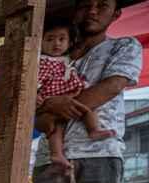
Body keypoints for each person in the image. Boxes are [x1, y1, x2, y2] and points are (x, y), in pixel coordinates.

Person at [32, 0, 142, 183]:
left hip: (100, 154)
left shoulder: (123, 46)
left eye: (102, 5)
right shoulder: (55, 53)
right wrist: (45, 111)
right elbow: (32, 112)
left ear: (116, 14)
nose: (93, 10)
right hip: (50, 157)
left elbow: (111, 86)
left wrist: (56, 108)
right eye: (87, 4)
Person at [38, 17, 115, 169]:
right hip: (52, 94)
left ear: (70, 42)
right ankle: (56, 153)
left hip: (70, 92)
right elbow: (36, 80)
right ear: (40, 42)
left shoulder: (66, 59)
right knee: (55, 126)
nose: (56, 43)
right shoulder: (42, 61)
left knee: (88, 109)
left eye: (62, 39)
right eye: (50, 39)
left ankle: (93, 130)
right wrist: (37, 95)